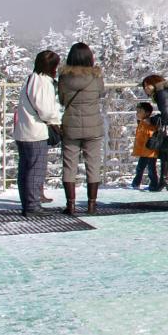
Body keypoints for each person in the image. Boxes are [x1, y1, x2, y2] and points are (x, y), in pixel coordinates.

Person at [57, 43, 107, 215]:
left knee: (69, 166)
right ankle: (92, 205)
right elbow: (100, 94)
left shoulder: (64, 78)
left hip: (71, 126)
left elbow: (62, 100)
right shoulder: (96, 78)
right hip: (93, 126)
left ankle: (70, 205)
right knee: (93, 165)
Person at [11, 50, 62, 216]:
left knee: (25, 169)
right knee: (35, 169)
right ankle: (32, 206)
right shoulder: (43, 82)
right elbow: (46, 111)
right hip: (35, 132)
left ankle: (28, 203)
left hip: (24, 130)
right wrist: (56, 120)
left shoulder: (31, 79)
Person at [131, 102, 160, 189]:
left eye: (140, 111)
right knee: (141, 168)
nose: (137, 113)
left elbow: (151, 135)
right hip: (145, 151)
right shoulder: (141, 122)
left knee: (150, 168)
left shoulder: (148, 123)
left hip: (149, 151)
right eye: (137, 111)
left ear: (147, 113)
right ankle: (137, 182)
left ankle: (154, 184)